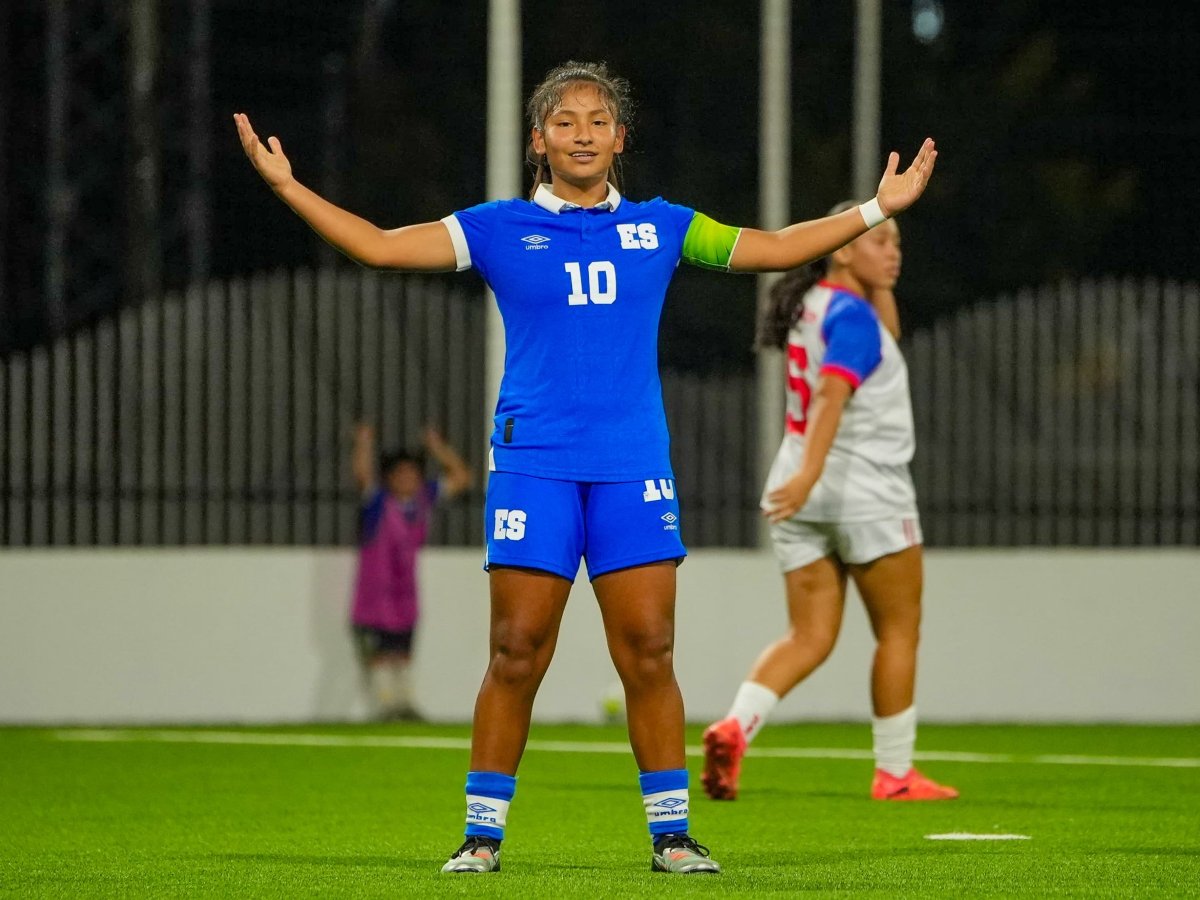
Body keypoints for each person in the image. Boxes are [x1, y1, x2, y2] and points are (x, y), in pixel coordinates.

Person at [234, 60, 937, 875]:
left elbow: (776, 248)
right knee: (517, 648)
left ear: (620, 139)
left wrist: (879, 206)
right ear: (538, 140)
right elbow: (381, 249)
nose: (582, 134)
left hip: (632, 467)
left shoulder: (662, 227)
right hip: (534, 466)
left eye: (597, 121)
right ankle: (481, 836)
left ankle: (671, 835)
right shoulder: (495, 227)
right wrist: (288, 187)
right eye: (564, 121)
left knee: (648, 649)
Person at [701, 202, 958, 803]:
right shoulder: (853, 317)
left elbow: (884, 339)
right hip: (860, 488)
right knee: (898, 631)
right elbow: (833, 395)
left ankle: (736, 726)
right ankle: (895, 774)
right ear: (842, 248)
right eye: (881, 239)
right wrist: (814, 473)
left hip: (797, 489)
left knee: (808, 635)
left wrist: (804, 478)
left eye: (897, 241)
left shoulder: (814, 307)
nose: (894, 250)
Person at [349, 422, 472, 721]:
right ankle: (385, 707)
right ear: (389, 479)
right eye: (400, 475)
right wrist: (364, 443)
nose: (407, 479)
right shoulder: (378, 502)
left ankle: (405, 705)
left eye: (412, 474)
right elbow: (362, 476)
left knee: (404, 652)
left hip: (405, 593)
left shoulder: (422, 501)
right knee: (379, 655)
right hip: (375, 594)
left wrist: (437, 447)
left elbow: (462, 478)